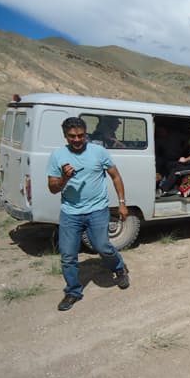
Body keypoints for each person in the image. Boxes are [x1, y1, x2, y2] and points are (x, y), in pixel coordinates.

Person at [47, 117, 130, 311]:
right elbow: (52, 188)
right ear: (65, 136)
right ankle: (73, 291)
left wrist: (122, 203)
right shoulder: (57, 156)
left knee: (102, 246)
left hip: (97, 210)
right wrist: (64, 178)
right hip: (70, 212)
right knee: (68, 255)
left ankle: (119, 268)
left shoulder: (99, 152)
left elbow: (116, 176)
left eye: (81, 135)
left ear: (86, 134)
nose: (77, 140)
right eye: (72, 136)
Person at [157, 123, 190, 196]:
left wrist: (185, 160)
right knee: (173, 165)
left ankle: (163, 189)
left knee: (177, 171)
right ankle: (174, 187)